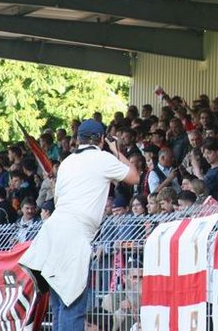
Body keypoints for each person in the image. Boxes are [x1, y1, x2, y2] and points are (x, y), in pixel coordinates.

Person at [19, 119, 139, 330]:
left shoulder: (66, 162)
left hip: (52, 233)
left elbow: (58, 200)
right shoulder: (102, 158)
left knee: (59, 307)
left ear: (79, 139)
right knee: (72, 307)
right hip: (74, 236)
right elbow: (134, 176)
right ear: (101, 139)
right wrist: (115, 150)